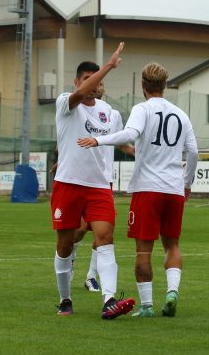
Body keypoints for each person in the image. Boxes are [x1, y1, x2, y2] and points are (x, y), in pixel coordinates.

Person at [78, 62, 198, 318]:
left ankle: (146, 306)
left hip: (148, 189)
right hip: (174, 189)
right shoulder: (181, 114)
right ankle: (172, 292)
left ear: (143, 85)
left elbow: (129, 134)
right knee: (172, 246)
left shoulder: (142, 109)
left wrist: (98, 139)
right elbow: (194, 152)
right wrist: (186, 183)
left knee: (144, 250)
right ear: (164, 86)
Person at [51, 44, 135, 319]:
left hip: (99, 186)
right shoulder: (66, 101)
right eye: (86, 79)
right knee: (65, 245)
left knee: (105, 238)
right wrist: (108, 66)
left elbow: (121, 141)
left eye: (95, 79)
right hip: (68, 184)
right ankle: (65, 300)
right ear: (77, 82)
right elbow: (79, 96)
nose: (92, 84)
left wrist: (145, 154)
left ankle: (108, 299)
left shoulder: (109, 112)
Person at [69, 82, 135, 293]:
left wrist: (140, 153)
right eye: (93, 82)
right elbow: (71, 141)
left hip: (103, 181)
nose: (98, 87)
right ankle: (70, 256)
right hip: (80, 179)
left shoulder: (112, 114)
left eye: (101, 83)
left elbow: (121, 143)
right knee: (79, 229)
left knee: (105, 232)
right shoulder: (77, 110)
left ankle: (91, 276)